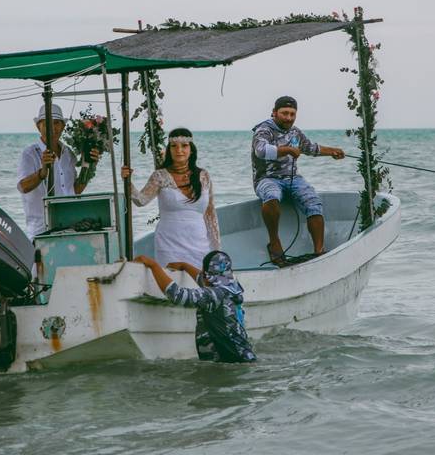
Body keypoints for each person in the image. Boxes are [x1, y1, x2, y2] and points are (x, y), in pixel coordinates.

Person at [251, 95, 345, 266]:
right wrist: (286, 149)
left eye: (292, 114)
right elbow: (261, 151)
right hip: (267, 178)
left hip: (293, 178)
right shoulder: (264, 130)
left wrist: (332, 151)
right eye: (284, 113)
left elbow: (310, 148)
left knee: (313, 202)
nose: (288, 118)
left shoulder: (295, 132)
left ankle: (319, 251)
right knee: (271, 195)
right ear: (274, 113)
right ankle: (274, 242)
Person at [121, 128, 220, 268]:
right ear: (169, 150)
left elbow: (210, 213)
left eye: (184, 146)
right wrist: (127, 181)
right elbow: (140, 200)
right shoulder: (160, 176)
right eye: (174, 146)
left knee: (200, 283)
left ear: (191, 149)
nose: (179, 150)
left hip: (200, 243)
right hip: (169, 244)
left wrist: (215, 248)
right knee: (171, 283)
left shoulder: (204, 175)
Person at [134, 251, 256, 363]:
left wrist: (153, 265)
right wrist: (185, 266)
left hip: (234, 362)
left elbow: (177, 295)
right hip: (243, 358)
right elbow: (203, 280)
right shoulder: (232, 286)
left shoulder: (213, 295)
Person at [17, 104, 97, 240]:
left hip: (69, 226)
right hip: (41, 229)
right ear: (38, 127)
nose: (53, 128)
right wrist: (42, 173)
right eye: (47, 123)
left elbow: (74, 191)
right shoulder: (30, 154)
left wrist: (89, 166)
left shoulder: (69, 154)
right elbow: (22, 187)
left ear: (63, 127)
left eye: (56, 123)